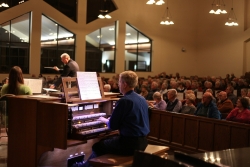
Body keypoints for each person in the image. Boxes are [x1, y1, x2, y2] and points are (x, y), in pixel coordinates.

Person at [81, 71, 150, 167]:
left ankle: (85, 166)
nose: (118, 84)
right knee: (107, 140)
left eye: (119, 82)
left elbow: (112, 126)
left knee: (97, 146)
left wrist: (105, 120)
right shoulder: (141, 98)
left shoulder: (124, 101)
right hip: (143, 142)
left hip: (129, 145)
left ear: (125, 84)